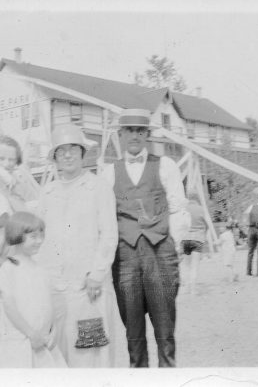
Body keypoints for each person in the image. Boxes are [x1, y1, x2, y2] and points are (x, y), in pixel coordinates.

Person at [99, 109, 187, 368]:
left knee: (164, 328)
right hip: (125, 256)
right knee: (133, 331)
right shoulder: (108, 172)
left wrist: (175, 243)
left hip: (160, 253)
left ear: (147, 135)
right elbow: (103, 219)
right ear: (120, 135)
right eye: (129, 131)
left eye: (140, 131)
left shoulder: (165, 165)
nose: (135, 136)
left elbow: (178, 207)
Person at [36, 124, 129, 367]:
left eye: (72, 149)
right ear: (54, 157)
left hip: (89, 287)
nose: (67, 155)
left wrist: (97, 274)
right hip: (56, 285)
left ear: (82, 153)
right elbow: (41, 238)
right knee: (60, 351)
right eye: (61, 151)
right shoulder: (47, 192)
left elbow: (109, 233)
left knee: (91, 351)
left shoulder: (97, 187)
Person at [0, 212, 67, 368]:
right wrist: (31, 334)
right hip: (20, 342)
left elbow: (48, 304)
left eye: (41, 236)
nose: (39, 241)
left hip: (42, 341)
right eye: (33, 237)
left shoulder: (40, 269)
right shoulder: (9, 269)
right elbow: (9, 307)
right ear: (17, 236)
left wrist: (53, 330)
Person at [0, 135, 40, 211]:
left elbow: (37, 207)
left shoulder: (20, 180)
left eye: (11, 160)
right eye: (1, 159)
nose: (6, 164)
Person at [180, 192, 208, 294]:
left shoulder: (183, 209)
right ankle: (193, 290)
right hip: (198, 239)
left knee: (187, 265)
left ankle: (187, 288)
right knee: (194, 266)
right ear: (197, 198)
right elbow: (206, 225)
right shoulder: (201, 209)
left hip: (185, 239)